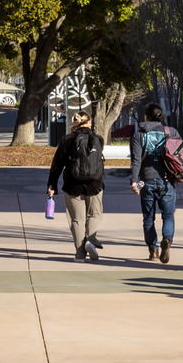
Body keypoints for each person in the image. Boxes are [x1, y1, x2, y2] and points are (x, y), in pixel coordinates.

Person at [46, 110, 108, 262]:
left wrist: (52, 184)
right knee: (95, 214)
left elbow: (57, 163)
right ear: (90, 123)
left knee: (77, 219)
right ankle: (90, 240)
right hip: (95, 184)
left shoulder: (67, 139)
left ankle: (80, 254)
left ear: (74, 123)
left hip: (72, 184)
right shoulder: (98, 139)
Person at [129, 104, 178, 264]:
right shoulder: (171, 132)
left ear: (146, 117)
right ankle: (167, 240)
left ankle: (153, 250)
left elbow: (136, 160)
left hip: (146, 181)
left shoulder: (139, 135)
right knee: (168, 215)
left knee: (148, 218)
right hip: (167, 180)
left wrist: (134, 181)